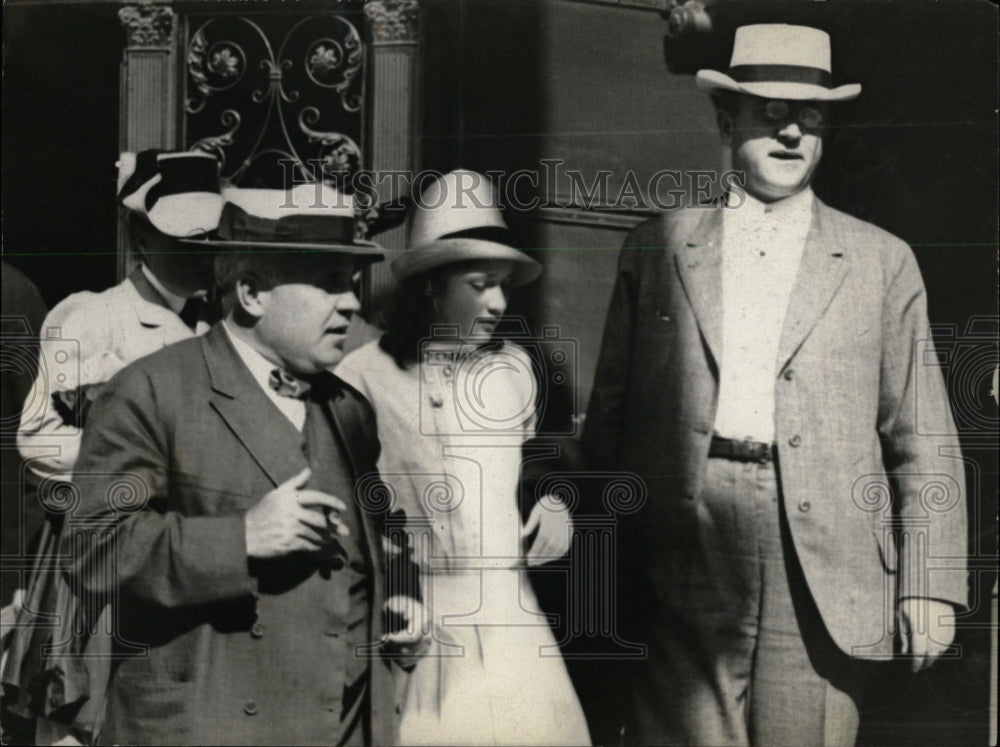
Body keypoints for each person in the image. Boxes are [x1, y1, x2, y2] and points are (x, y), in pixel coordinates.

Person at [582, 24, 968, 747]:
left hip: (828, 551)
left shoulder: (881, 262)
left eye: (811, 115)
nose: (791, 130)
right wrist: (597, 564)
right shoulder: (659, 244)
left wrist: (932, 579)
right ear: (727, 120)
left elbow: (925, 438)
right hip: (681, 540)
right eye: (769, 111)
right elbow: (609, 421)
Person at [62, 182, 423, 746]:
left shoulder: (349, 408)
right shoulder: (152, 391)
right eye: (329, 284)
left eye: (351, 285)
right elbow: (92, 551)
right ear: (252, 293)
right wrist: (240, 538)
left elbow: (376, 533)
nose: (352, 304)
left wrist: (399, 593)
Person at [336, 170, 591, 746]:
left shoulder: (517, 369)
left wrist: (554, 501)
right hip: (417, 617)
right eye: (481, 284)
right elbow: (354, 509)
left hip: (512, 619)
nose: (499, 302)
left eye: (503, 284)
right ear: (431, 284)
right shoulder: (363, 376)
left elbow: (535, 464)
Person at [4, 150, 225, 745]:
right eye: (185, 237)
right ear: (140, 233)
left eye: (211, 237)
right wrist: (144, 458)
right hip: (102, 572)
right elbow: (38, 437)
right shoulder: (95, 319)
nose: (202, 251)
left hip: (188, 561)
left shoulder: (220, 328)